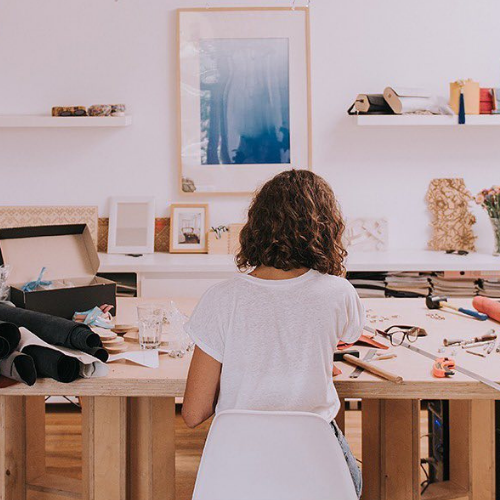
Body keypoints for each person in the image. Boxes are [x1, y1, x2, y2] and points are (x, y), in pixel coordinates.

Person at [182, 169, 365, 497]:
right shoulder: (339, 292)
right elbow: (348, 336)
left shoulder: (220, 298)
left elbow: (194, 413)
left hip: (237, 471)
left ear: (256, 226)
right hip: (316, 470)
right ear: (327, 228)